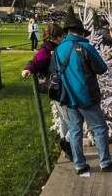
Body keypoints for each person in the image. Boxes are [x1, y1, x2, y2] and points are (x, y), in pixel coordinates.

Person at [54, 18, 112, 175]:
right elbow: (101, 68)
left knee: (75, 131)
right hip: (86, 96)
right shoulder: (85, 47)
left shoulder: (59, 49)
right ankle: (105, 162)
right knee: (99, 128)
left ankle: (80, 165)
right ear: (81, 32)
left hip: (67, 96)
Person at [22, 23, 73, 162]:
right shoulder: (47, 50)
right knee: (68, 120)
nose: (63, 38)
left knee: (65, 119)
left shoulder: (58, 47)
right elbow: (35, 61)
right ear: (55, 37)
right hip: (59, 89)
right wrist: (28, 69)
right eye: (61, 36)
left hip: (64, 88)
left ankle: (67, 145)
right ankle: (67, 145)